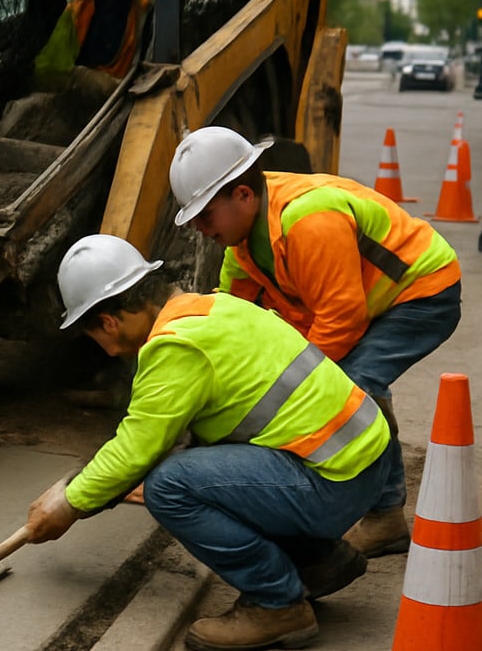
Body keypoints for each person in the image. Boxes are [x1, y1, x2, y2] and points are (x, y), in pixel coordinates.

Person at [24, 234, 395, 651]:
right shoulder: (214, 308)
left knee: (171, 486)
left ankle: (277, 605)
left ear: (109, 321)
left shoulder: (174, 348)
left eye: (97, 338)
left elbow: (135, 448)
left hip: (332, 484)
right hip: (365, 463)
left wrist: (68, 503)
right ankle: (317, 560)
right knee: (203, 461)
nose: (108, 352)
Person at [167, 125, 462, 559]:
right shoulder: (242, 248)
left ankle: (384, 518)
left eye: (204, 215)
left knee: (354, 387)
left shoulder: (310, 220)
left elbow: (342, 320)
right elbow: (228, 324)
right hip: (371, 300)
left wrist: (295, 392)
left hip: (422, 292)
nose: (197, 228)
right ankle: (381, 510)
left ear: (244, 196)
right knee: (338, 387)